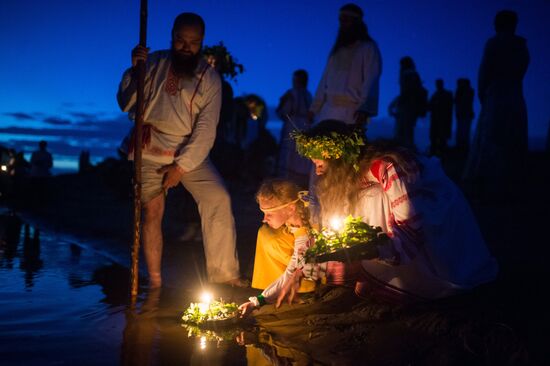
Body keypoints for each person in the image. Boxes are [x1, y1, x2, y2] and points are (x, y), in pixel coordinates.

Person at [292, 120, 498, 303]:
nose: (317, 169)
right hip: (402, 235)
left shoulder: (387, 167)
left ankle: (403, 280)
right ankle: (372, 275)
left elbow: (411, 231)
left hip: (436, 227)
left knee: (371, 196)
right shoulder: (350, 174)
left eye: (319, 162)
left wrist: (371, 250)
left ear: (337, 155)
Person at [117, 12, 245, 288]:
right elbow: (126, 104)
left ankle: (225, 274)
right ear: (172, 36)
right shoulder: (152, 62)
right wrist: (135, 71)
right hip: (149, 147)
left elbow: (206, 129)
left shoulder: (210, 80)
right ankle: (155, 282)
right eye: (180, 41)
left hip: (189, 150)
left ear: (202, 42)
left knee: (218, 198)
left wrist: (180, 167)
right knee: (152, 211)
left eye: (193, 43)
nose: (186, 48)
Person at [463, 10, 529, 200]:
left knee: (492, 137)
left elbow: (485, 71)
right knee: (511, 135)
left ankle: (489, 181)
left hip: (497, 95)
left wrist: (483, 92)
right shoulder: (521, 46)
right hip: (514, 95)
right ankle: (510, 180)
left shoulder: (495, 43)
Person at [239, 179, 319, 317]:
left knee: (299, 265)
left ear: (291, 208)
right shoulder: (296, 214)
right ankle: (279, 286)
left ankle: (303, 288)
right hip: (298, 240)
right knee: (265, 233)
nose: (264, 218)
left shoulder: (306, 235)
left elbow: (292, 271)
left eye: (269, 214)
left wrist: (258, 301)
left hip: (318, 267)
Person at [308, 3, 382, 126]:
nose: (342, 24)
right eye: (341, 21)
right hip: (326, 112)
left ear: (356, 22)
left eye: (346, 20)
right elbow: (324, 81)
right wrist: (314, 108)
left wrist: (364, 109)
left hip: (351, 113)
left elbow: (371, 79)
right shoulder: (336, 51)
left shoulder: (368, 48)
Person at [276, 69, 312, 186]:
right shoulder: (307, 95)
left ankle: (289, 182)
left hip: (294, 125)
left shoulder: (295, 94)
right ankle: (290, 182)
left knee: (292, 153)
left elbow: (283, 111)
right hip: (302, 126)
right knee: (295, 153)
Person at [393, 56, 427, 148]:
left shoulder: (407, 74)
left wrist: (399, 103)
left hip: (407, 107)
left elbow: (407, 91)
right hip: (411, 107)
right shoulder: (413, 74)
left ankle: (405, 152)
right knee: (408, 130)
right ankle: (407, 150)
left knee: (404, 131)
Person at [428, 79, 453, 157]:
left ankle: (442, 154)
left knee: (442, 138)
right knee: (435, 138)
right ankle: (435, 153)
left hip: (443, 121)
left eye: (439, 84)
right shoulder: (435, 96)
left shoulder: (446, 95)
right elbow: (429, 106)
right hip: (436, 120)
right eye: (437, 84)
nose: (438, 85)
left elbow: (449, 107)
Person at [454, 78, 475, 154]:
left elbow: (465, 103)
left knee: (463, 131)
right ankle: (461, 146)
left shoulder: (467, 91)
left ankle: (463, 147)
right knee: (462, 131)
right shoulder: (462, 92)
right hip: (463, 114)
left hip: (465, 114)